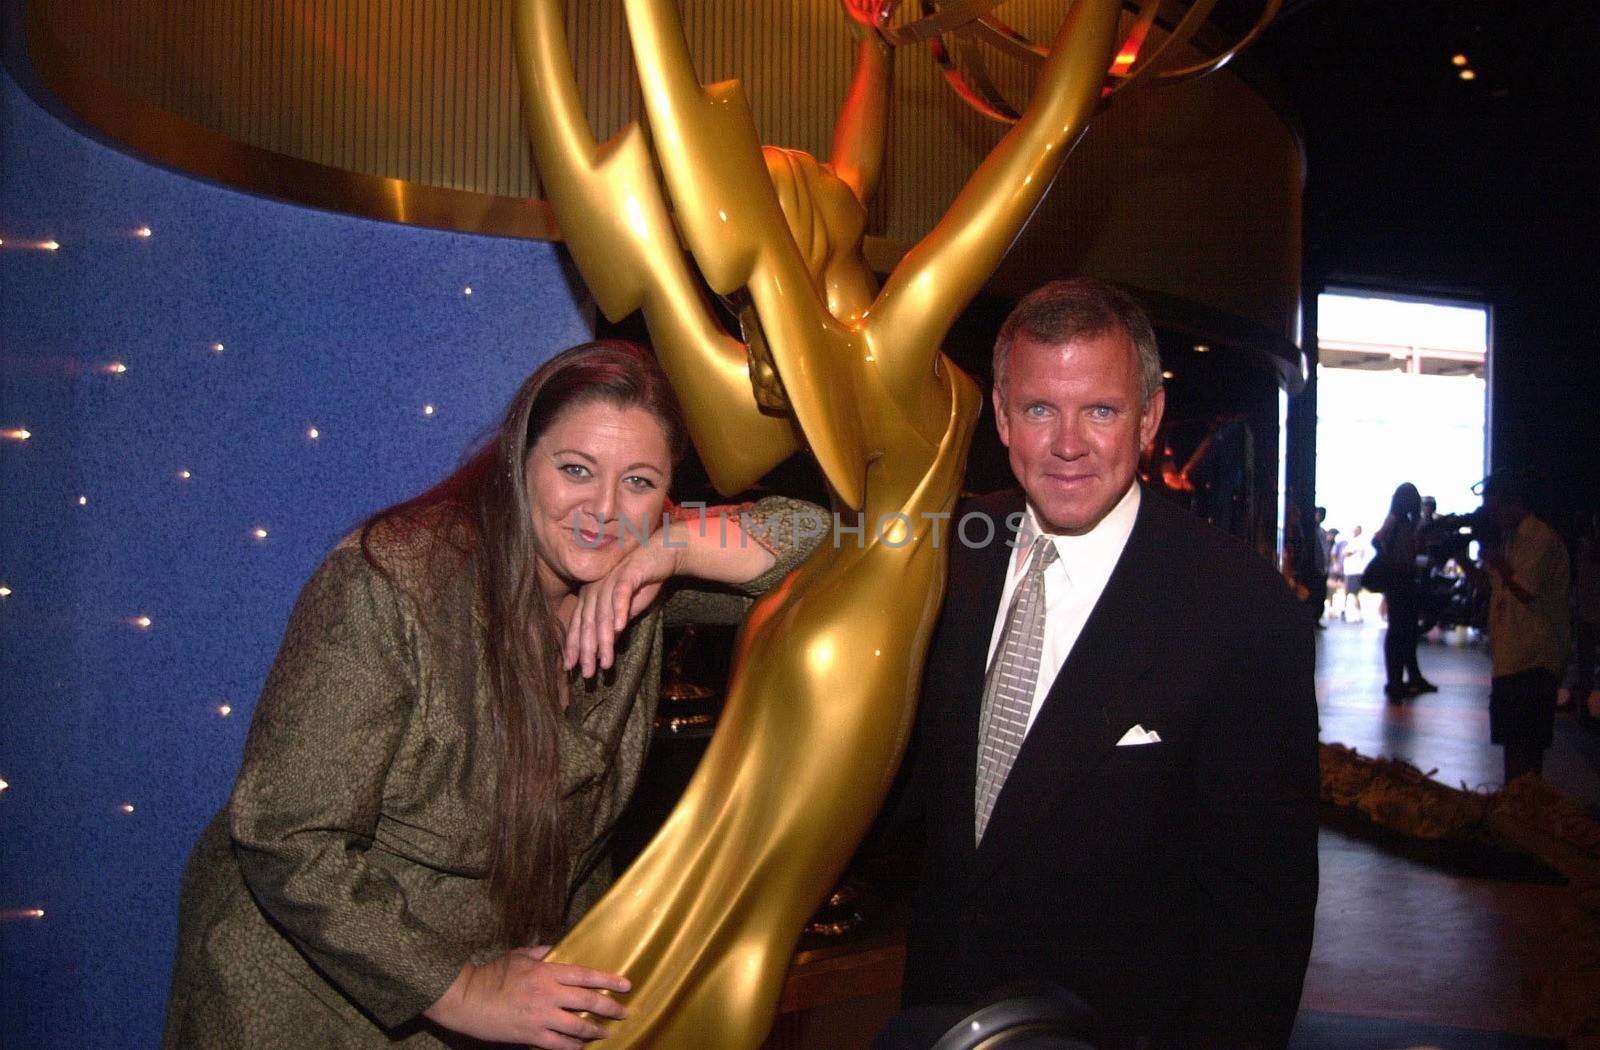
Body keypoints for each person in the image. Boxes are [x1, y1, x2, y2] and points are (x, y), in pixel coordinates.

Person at [160, 341, 818, 1049]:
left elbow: (841, 537)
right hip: (304, 996)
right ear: (517, 465)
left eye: (638, 481)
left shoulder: (642, 578)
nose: (602, 509)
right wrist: (462, 989)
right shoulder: (391, 587)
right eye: (575, 470)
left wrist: (673, 548)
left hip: (493, 994)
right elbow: (285, 834)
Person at [899, 279, 1320, 1049]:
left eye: (1100, 410)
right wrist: (667, 543)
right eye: (1038, 410)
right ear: (999, 415)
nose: (1067, 444)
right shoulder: (953, 545)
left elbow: (1261, 926)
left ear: (1150, 416)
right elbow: (821, 545)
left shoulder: (1238, 608)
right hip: (943, 1020)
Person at [1476, 473, 1571, 783]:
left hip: (1534, 659)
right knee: (1511, 745)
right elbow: (1494, 588)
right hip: (1511, 658)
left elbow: (1525, 590)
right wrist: (1464, 561)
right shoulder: (1511, 539)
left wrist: (1498, 563)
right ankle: (1515, 808)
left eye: (1494, 507)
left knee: (1527, 749)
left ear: (1512, 502)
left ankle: (1527, 815)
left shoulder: (1541, 538)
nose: (1491, 515)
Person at [1374, 482, 1436, 699]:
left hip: (1403, 580)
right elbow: (1378, 540)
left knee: (1405, 631)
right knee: (1400, 631)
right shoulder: (1398, 520)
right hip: (1400, 581)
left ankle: (1405, 679)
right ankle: (1396, 681)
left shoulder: (1404, 522)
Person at [1341, 524, 1370, 622]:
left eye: (1356, 530)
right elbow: (1344, 553)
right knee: (1346, 592)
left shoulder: (1360, 541)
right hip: (1349, 571)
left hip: (1355, 570)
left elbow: (1348, 553)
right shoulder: (1351, 541)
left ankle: (1359, 614)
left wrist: (1347, 553)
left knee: (1355, 593)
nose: (1354, 532)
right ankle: (1344, 612)